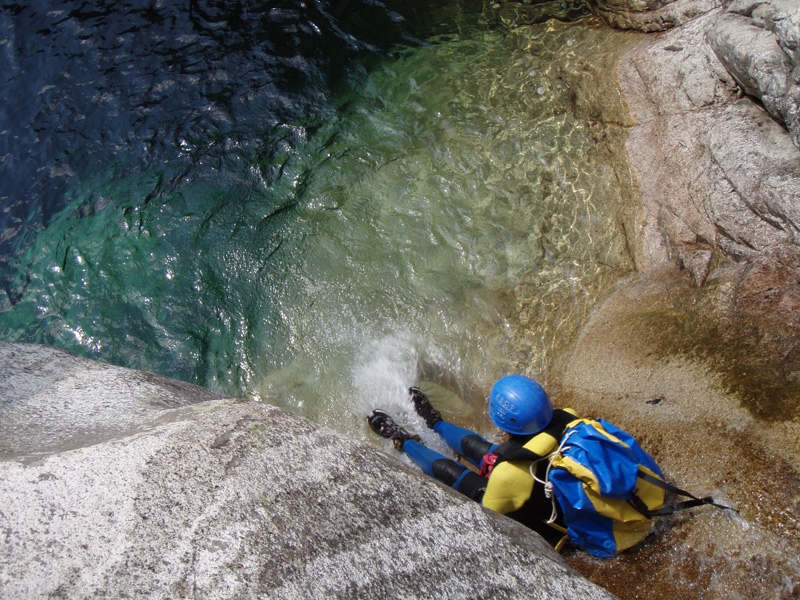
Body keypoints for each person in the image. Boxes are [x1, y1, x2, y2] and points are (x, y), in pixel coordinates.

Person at [367, 374, 578, 546]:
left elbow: (490, 511)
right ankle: (434, 423)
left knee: (462, 478)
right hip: (554, 485)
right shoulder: (569, 416)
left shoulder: (507, 476)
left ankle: (402, 440)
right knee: (485, 451)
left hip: (550, 520)